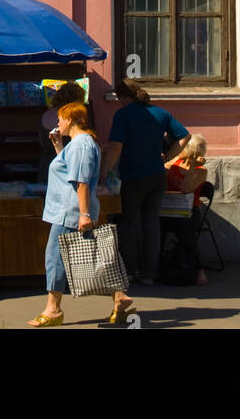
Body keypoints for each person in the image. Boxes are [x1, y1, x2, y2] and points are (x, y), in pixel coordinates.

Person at [28, 102, 136, 328]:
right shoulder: (78, 145)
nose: (58, 124)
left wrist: (84, 214)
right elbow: (70, 170)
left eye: (60, 119)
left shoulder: (81, 145)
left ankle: (53, 309)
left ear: (69, 120)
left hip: (70, 210)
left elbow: (82, 181)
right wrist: (59, 148)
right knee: (94, 256)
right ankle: (119, 298)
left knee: (55, 258)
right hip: (72, 209)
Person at [101, 78, 189, 285]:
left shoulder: (123, 114)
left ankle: (131, 270)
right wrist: (167, 157)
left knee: (127, 223)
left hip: (133, 175)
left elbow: (116, 146)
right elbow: (184, 137)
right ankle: (150, 273)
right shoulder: (161, 113)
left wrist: (104, 171)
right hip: (157, 176)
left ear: (123, 96)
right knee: (151, 224)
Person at [164, 133, 209, 286]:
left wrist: (191, 169)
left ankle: (198, 268)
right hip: (168, 208)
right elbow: (162, 169)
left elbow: (186, 188)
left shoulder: (201, 171)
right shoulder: (174, 163)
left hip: (189, 211)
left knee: (184, 228)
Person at [36, 80, 85, 179]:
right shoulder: (70, 118)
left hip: (47, 166)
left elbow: (42, 141)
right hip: (66, 169)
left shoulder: (46, 114)